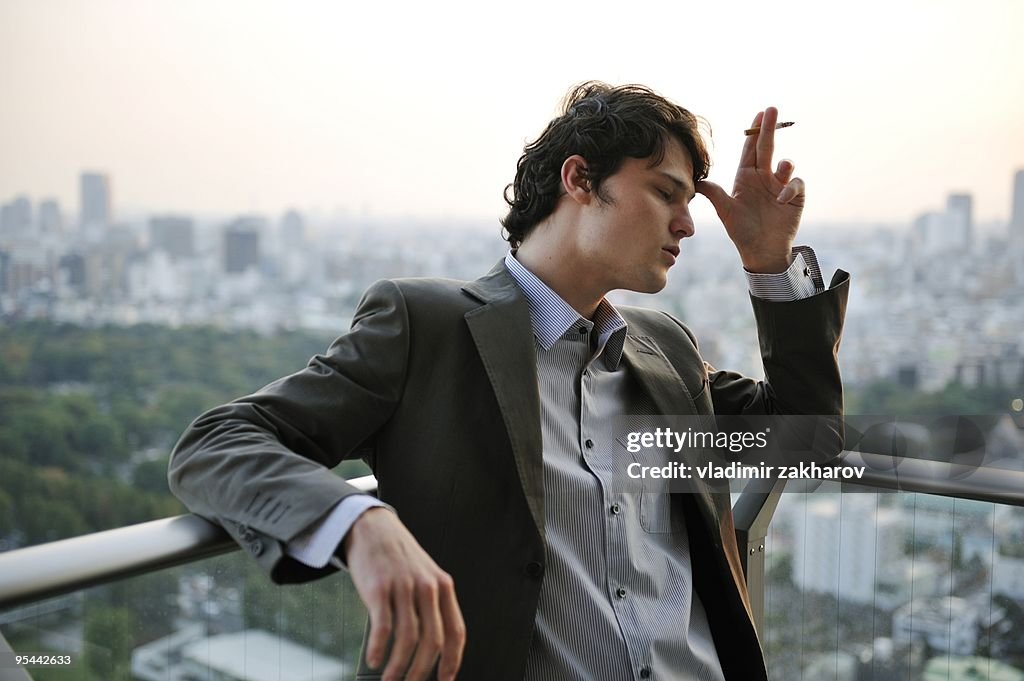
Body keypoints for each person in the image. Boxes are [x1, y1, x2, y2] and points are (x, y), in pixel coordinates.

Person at [168, 81, 848, 681]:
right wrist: (360, 522)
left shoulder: (665, 348)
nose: (688, 224)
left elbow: (806, 439)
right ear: (580, 179)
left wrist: (768, 261)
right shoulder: (427, 327)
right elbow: (219, 441)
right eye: (665, 192)